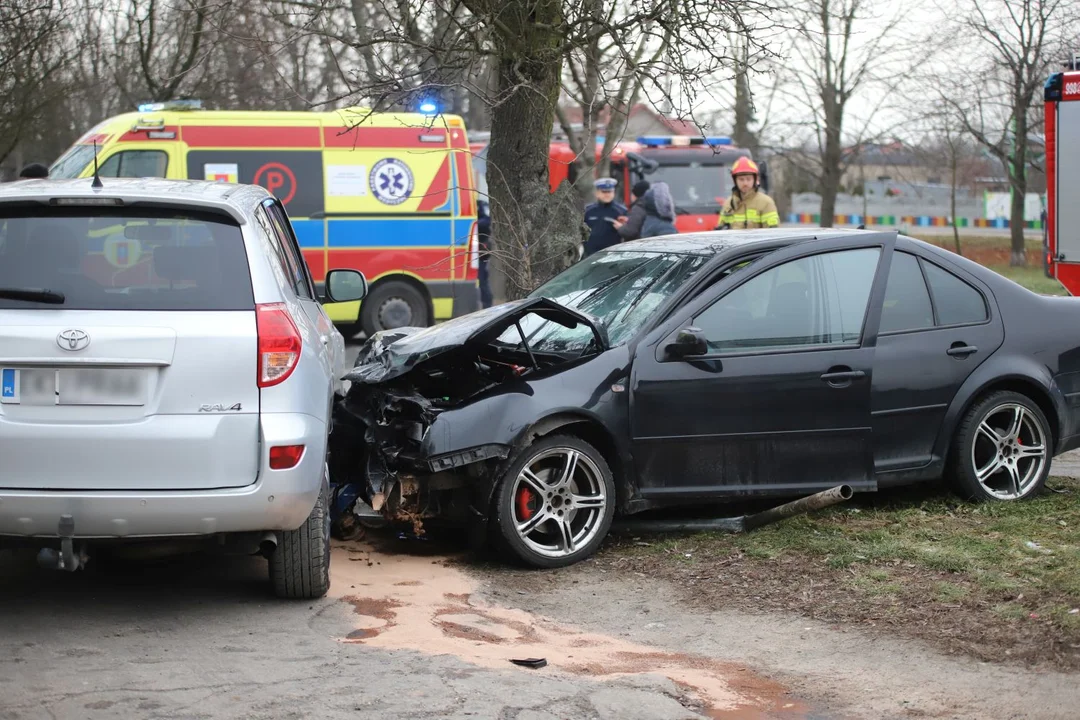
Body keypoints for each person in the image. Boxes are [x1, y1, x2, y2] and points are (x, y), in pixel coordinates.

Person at [716, 157, 779, 229]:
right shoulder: (728, 204)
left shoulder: (766, 203)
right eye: (741, 179)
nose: (745, 183)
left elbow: (772, 234)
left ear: (755, 179)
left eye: (748, 179)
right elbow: (721, 232)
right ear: (735, 180)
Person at [582, 177, 627, 256]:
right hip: (590, 254)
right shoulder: (588, 210)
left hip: (612, 254)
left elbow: (628, 233)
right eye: (604, 192)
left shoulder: (621, 211)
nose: (607, 195)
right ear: (597, 193)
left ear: (613, 193)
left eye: (609, 192)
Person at [476, 200, 493, 308]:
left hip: (481, 250)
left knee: (482, 279)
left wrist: (474, 223)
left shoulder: (481, 204)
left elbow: (488, 220)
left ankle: (487, 305)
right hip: (475, 250)